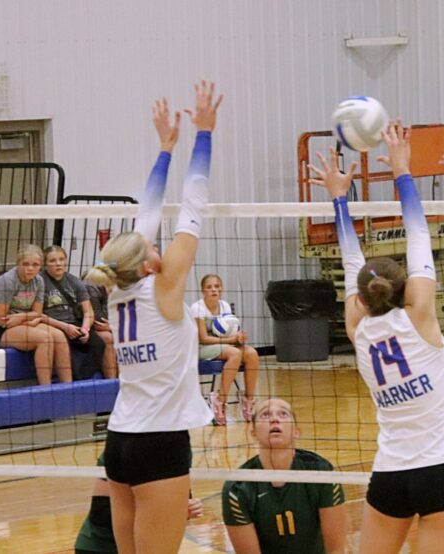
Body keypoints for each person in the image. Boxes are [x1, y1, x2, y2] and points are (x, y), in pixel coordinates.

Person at [309, 122, 444, 554]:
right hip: (440, 470)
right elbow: (418, 234)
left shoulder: (357, 330)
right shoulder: (420, 318)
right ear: (406, 290)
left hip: (391, 474)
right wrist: (402, 168)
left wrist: (339, 198)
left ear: (359, 298)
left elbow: (350, 260)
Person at [85, 83, 222, 553]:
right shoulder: (164, 289)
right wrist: (203, 135)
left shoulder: (117, 290)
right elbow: (193, 208)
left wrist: (165, 149)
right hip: (159, 444)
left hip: (120, 438)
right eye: (152, 248)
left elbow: (147, 211)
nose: (158, 243)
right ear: (147, 264)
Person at [222, 398, 347, 554]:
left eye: (283, 414)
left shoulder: (321, 473)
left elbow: (336, 550)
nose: (275, 419)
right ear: (253, 433)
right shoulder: (237, 488)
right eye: (265, 415)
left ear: (296, 432)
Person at [74, 451, 204, 554]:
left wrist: (186, 510)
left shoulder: (180, 450)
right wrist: (160, 513)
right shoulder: (121, 447)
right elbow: (101, 514)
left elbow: (180, 501)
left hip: (151, 545)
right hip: (101, 547)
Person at [0, 244, 72, 384]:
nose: (30, 268)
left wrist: (21, 317)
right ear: (17, 263)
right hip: (0, 330)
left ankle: (68, 387)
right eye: (25, 264)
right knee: (45, 339)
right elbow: (1, 320)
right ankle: (45, 389)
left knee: (60, 336)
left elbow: (37, 312)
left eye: (35, 264)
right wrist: (29, 316)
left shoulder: (39, 281)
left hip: (21, 322)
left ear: (40, 266)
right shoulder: (7, 282)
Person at [191, 273, 259, 424]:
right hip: (201, 348)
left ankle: (248, 400)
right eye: (209, 287)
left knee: (251, 353)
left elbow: (231, 331)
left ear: (221, 289)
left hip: (224, 345)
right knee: (234, 353)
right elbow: (203, 338)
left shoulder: (225, 306)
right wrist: (231, 340)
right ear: (203, 291)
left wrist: (239, 337)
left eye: (217, 286)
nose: (214, 290)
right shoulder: (197, 308)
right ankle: (220, 401)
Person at [41, 245, 112, 380]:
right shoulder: (40, 282)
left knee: (101, 342)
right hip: (53, 325)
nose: (58, 264)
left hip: (75, 324)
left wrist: (85, 328)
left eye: (61, 259)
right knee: (62, 342)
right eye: (53, 261)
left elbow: (88, 311)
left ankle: (107, 381)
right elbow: (38, 314)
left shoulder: (74, 281)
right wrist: (65, 327)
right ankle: (72, 382)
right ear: (45, 264)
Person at [82, 271, 119, 377]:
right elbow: (99, 321)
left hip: (112, 325)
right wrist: (115, 326)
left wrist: (114, 325)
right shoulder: (91, 284)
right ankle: (112, 382)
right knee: (109, 337)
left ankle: (123, 379)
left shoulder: (124, 284)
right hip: (88, 325)